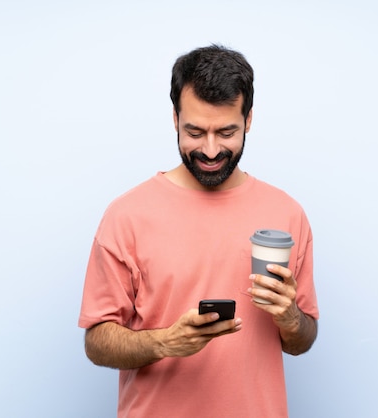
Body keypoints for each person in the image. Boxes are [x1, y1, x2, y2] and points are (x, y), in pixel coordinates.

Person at [78, 44, 319, 418]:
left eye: (226, 132)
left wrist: (291, 318)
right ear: (174, 118)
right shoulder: (127, 215)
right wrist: (166, 342)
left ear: (249, 120)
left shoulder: (287, 214)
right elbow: (97, 342)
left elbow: (302, 341)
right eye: (195, 131)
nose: (209, 150)